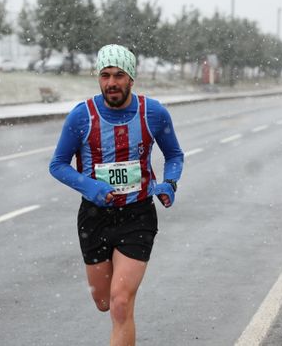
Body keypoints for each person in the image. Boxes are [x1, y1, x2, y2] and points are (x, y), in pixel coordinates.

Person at [49, 44, 184, 345]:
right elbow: (57, 165)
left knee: (121, 302)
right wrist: (91, 186)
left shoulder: (154, 113)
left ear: (131, 78)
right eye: (105, 75)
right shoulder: (82, 116)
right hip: (94, 218)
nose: (111, 83)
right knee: (104, 302)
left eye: (119, 75)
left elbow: (174, 155)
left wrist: (169, 183)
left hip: (137, 216)